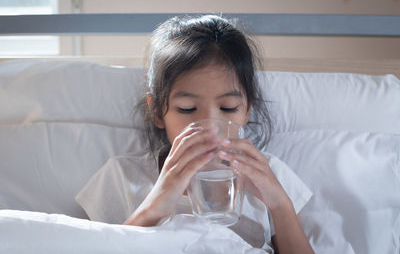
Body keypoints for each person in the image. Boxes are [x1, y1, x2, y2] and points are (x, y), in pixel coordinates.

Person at [75, 15, 314, 254]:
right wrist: (154, 207)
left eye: (229, 107)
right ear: (158, 111)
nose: (211, 127)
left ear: (247, 110)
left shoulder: (271, 174)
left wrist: (280, 204)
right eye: (187, 109)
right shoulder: (123, 177)